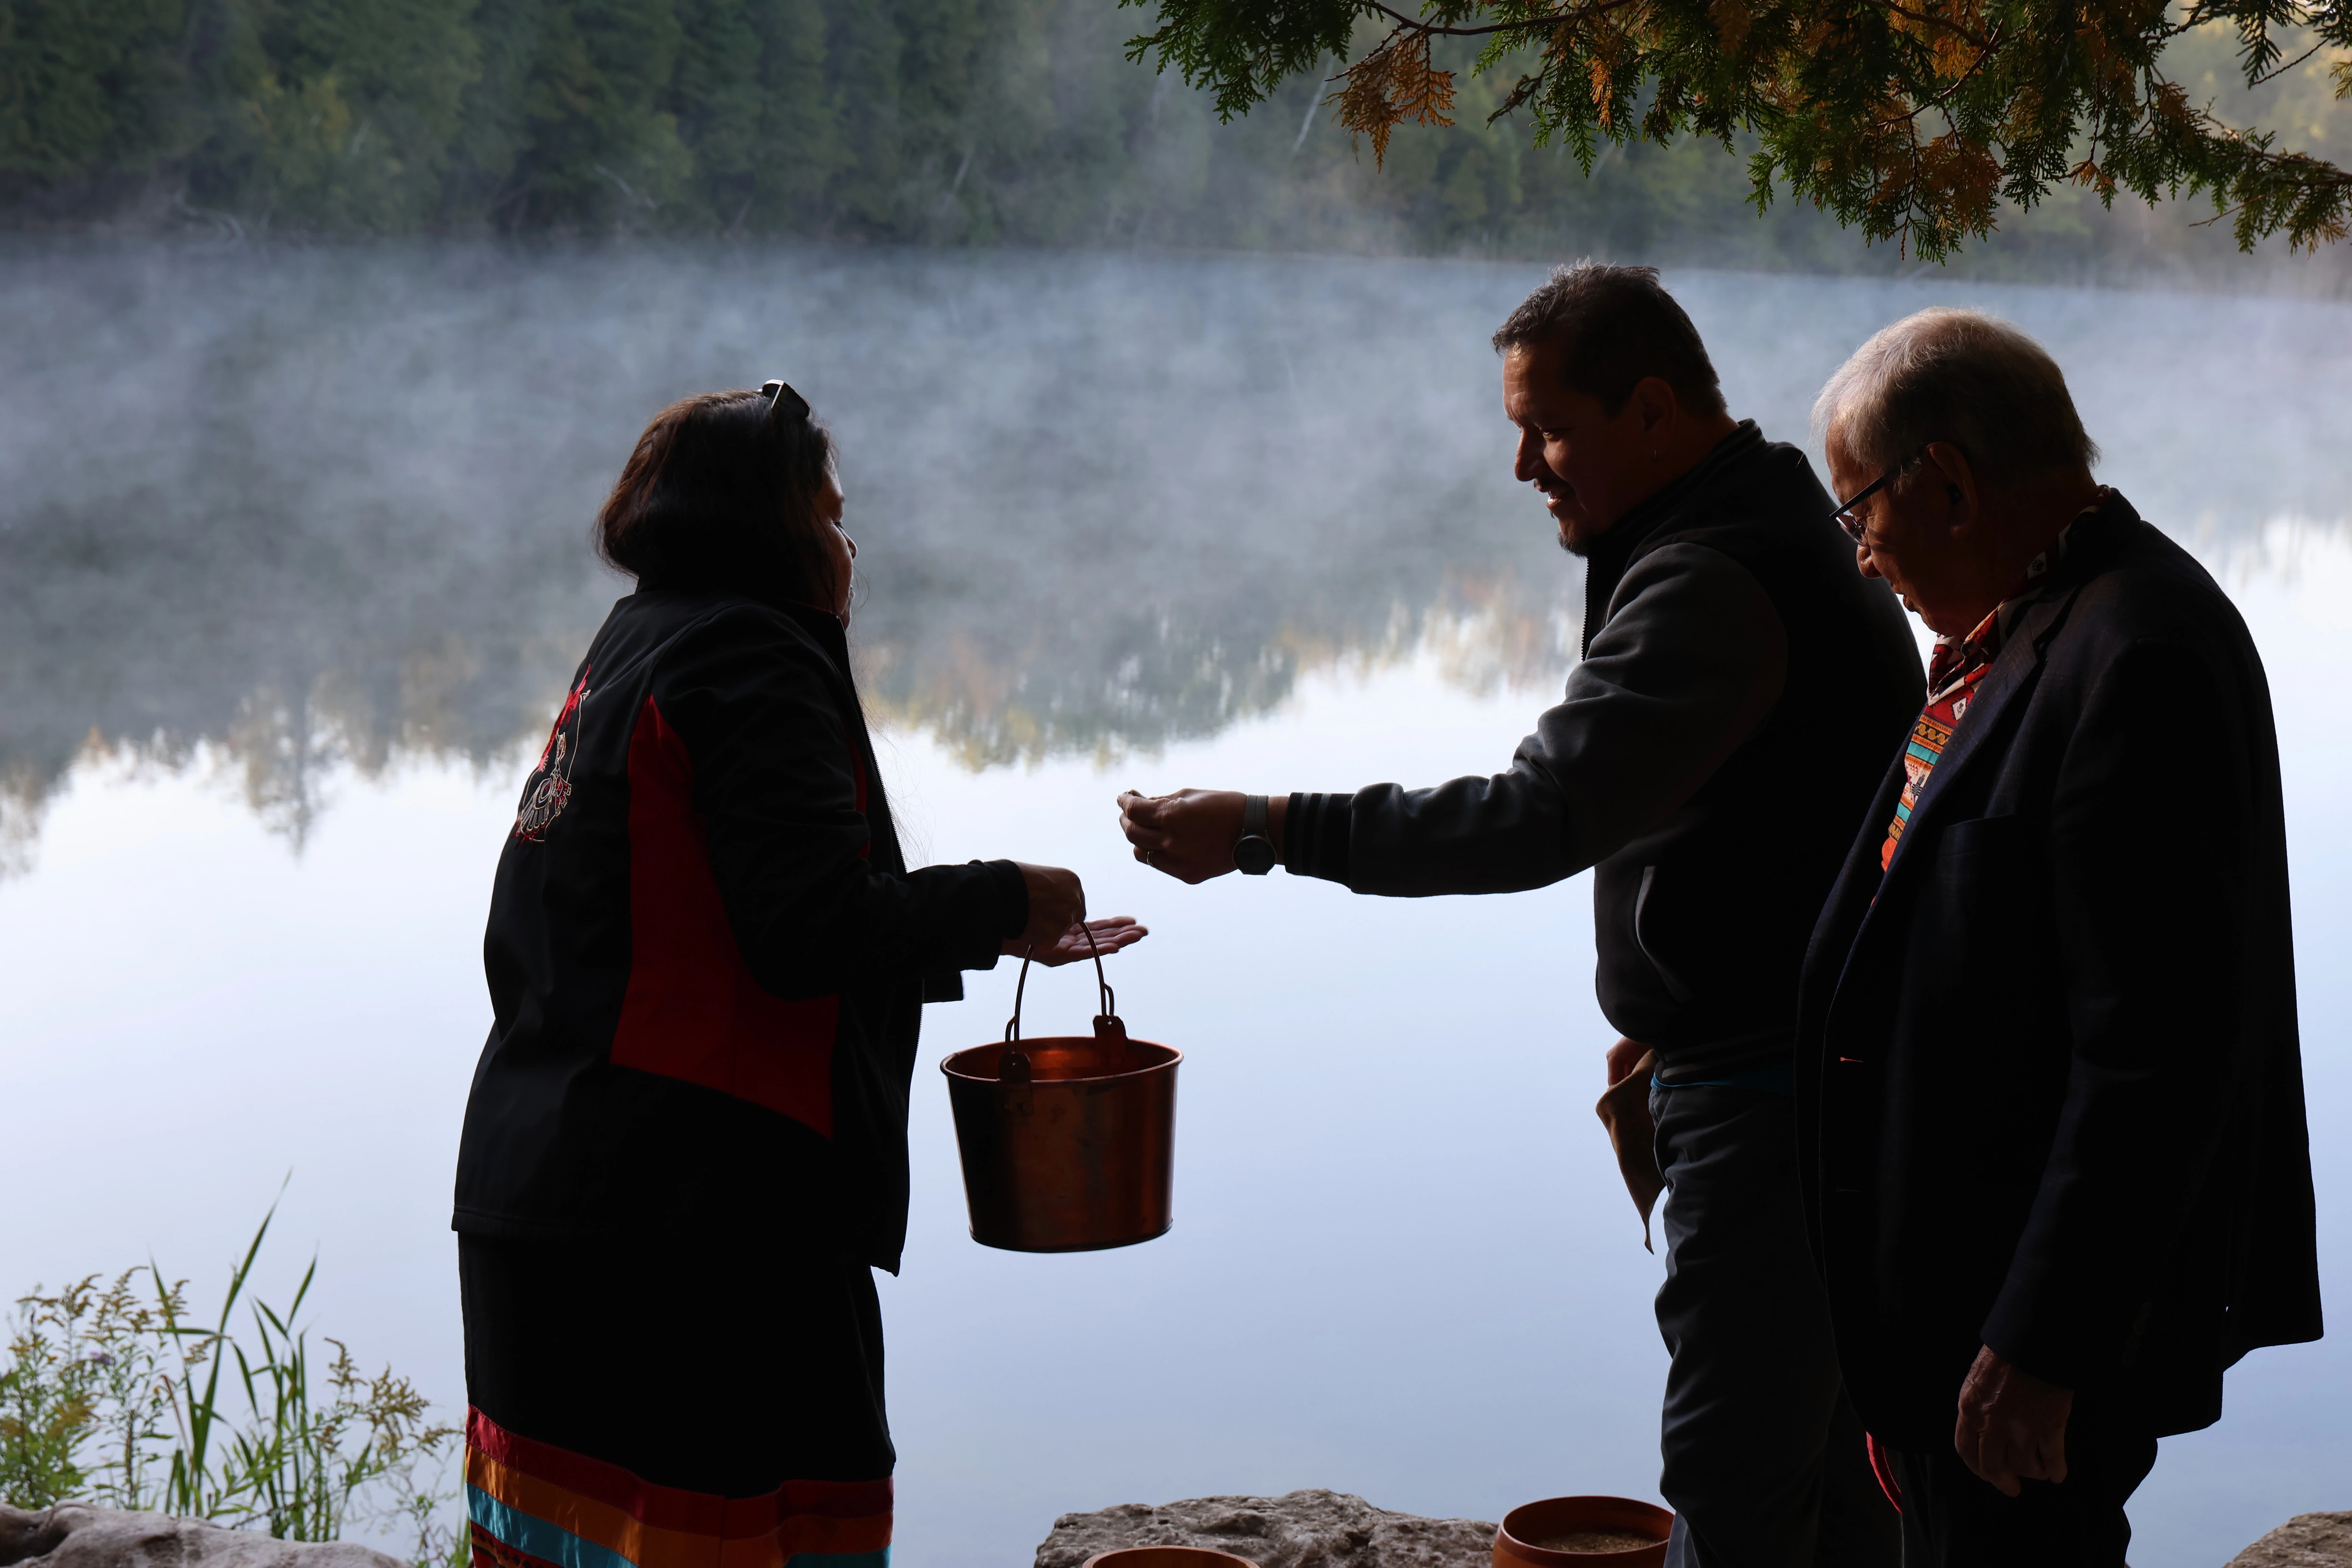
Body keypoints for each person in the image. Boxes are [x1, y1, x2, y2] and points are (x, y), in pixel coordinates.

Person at [1118, 263, 1921, 1568]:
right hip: (1805, 1061)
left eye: (1544, 431)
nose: (1522, 469)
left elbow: (1538, 819)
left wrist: (1267, 828)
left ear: (1652, 411)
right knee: (1830, 1478)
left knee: (1738, 1473)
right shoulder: (1758, 520)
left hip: (1778, 1097)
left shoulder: (1715, 576)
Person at [452, 382, 1143, 1568]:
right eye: (828, 512)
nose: (848, 541)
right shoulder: (749, 653)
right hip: (697, 1229)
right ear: (771, 526)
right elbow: (807, 928)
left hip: (547, 1195)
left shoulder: (638, 640)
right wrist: (1004, 898)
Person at [1797, 309, 2323, 1565]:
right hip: (1956, 1312)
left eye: (1858, 512)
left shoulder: (2135, 654)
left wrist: (2044, 1341)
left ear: (1952, 486)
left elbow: (2157, 1051)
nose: (1863, 559)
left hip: (2022, 1339)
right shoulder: (2033, 624)